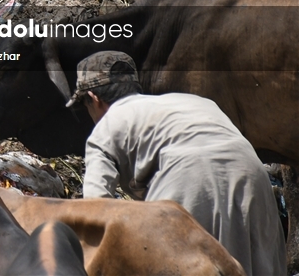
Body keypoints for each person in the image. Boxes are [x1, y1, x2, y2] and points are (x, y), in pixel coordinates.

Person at [69, 51, 285, 276]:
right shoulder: (194, 101)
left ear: (94, 99)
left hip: (188, 176)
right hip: (252, 174)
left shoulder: (106, 127)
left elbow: (94, 210)